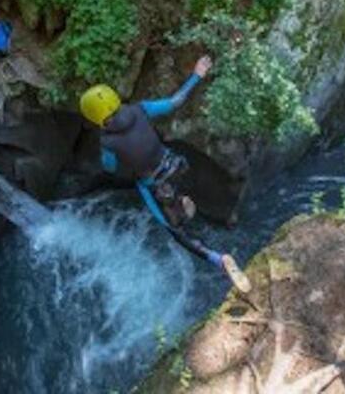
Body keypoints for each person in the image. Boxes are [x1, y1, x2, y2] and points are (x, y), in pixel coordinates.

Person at [79, 56, 251, 293]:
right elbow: (175, 102)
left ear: (94, 117)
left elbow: (110, 168)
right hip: (178, 165)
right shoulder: (140, 109)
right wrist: (197, 74)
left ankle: (218, 259)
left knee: (176, 232)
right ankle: (187, 203)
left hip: (155, 185)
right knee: (179, 187)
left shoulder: (107, 142)